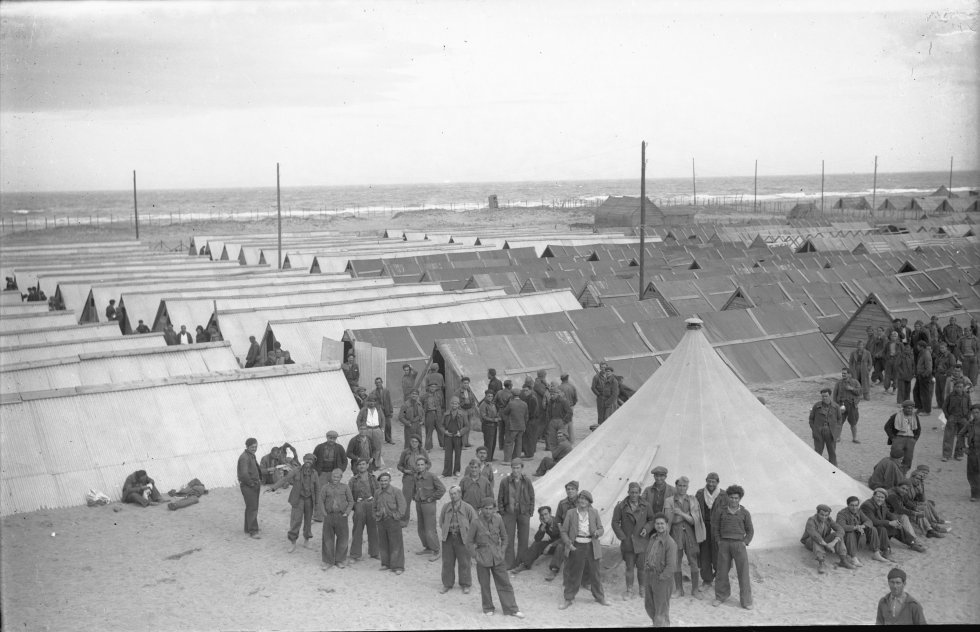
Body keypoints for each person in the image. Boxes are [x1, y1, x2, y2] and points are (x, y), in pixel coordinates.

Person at [466, 497, 525, 618]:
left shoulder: (498, 519)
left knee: (505, 583)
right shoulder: (475, 522)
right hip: (482, 556)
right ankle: (488, 607)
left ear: (494, 509)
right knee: (484, 584)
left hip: (497, 556)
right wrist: (475, 556)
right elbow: (469, 542)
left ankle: (511, 608)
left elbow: (505, 537)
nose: (488, 512)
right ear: (481, 509)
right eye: (486, 509)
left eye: (491, 509)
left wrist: (502, 551)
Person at [558, 490, 609, 609]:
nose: (582, 501)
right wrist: (568, 544)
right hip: (576, 546)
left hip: (591, 545)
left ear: (589, 501)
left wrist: (597, 532)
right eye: (581, 498)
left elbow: (601, 528)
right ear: (578, 500)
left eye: (585, 499)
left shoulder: (594, 512)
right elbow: (564, 531)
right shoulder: (571, 513)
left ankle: (600, 597)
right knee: (574, 573)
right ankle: (568, 598)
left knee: (595, 573)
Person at [267, 453, 320, 552]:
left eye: (311, 460)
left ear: (313, 462)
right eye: (307, 459)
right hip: (298, 499)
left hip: (309, 500)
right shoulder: (296, 471)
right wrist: (273, 487)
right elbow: (285, 479)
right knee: (296, 521)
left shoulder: (314, 473)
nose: (308, 462)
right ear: (303, 460)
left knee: (308, 521)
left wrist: (317, 503)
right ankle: (293, 542)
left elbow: (317, 488)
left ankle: (306, 540)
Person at [711, 484, 753, 610]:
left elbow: (750, 531)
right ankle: (720, 596)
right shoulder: (721, 511)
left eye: (736, 498)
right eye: (731, 497)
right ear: (728, 497)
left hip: (739, 545)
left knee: (743, 573)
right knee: (722, 572)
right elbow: (715, 528)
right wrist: (719, 541)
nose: (734, 500)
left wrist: (745, 542)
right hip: (724, 544)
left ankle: (746, 601)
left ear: (740, 498)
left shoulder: (745, 512)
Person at [611, 482, 653, 600]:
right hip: (628, 542)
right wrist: (622, 536)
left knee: (642, 568)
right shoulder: (621, 506)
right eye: (631, 492)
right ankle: (629, 590)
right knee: (629, 567)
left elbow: (652, 519)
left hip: (642, 542)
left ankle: (642, 589)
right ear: (628, 492)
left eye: (636, 492)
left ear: (639, 493)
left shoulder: (646, 505)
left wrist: (646, 528)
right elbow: (614, 522)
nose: (634, 494)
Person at [860, 488, 925, 555]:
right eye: (878, 496)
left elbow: (889, 514)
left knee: (897, 526)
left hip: (879, 528)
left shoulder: (882, 504)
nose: (880, 499)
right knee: (882, 529)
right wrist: (889, 523)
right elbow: (873, 521)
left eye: (882, 497)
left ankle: (912, 543)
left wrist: (896, 521)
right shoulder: (867, 505)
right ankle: (885, 549)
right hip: (869, 532)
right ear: (873, 496)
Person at [670, 476, 706, 597]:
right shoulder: (669, 500)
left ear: (687, 487)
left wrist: (680, 514)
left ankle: (695, 590)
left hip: (691, 535)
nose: (681, 488)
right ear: (676, 486)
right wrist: (686, 516)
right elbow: (669, 520)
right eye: (679, 485)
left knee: (693, 561)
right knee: (676, 561)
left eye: (684, 486)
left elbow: (694, 521)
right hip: (675, 534)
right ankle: (679, 589)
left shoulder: (693, 500)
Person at [439, 485, 477, 594]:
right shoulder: (446, 507)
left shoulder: (468, 508)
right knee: (447, 562)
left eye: (455, 493)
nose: (453, 496)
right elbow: (441, 521)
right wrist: (448, 531)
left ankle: (465, 584)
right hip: (448, 537)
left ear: (460, 494)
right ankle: (447, 584)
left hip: (463, 538)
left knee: (464, 562)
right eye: (451, 494)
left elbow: (474, 523)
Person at [498, 459, 534, 570]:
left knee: (523, 537)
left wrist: (530, 511)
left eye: (518, 468)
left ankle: (521, 562)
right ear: (511, 468)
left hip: (523, 512)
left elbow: (532, 496)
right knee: (508, 537)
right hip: (509, 512)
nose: (515, 470)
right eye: (513, 467)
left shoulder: (527, 481)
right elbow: (500, 497)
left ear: (522, 468)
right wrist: (502, 512)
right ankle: (509, 562)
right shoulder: (505, 481)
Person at [644, 512, 678, 627]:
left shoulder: (670, 543)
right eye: (657, 524)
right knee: (649, 605)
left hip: (662, 578)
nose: (660, 526)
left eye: (662, 524)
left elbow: (671, 566)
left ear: (667, 525)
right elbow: (648, 555)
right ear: (654, 525)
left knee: (661, 608)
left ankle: (662, 625)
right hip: (650, 576)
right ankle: (657, 624)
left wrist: (661, 577)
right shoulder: (653, 538)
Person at [801, 504, 854, 574]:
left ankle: (843, 560)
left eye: (826, 515)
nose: (824, 517)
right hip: (810, 542)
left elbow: (840, 529)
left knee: (837, 535)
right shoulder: (811, 520)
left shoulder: (829, 519)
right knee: (816, 539)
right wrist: (827, 545)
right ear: (817, 513)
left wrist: (833, 542)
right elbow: (814, 535)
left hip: (825, 541)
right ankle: (821, 563)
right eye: (822, 515)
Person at [510, 505, 562, 576]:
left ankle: (554, 570)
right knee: (537, 544)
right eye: (542, 515)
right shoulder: (544, 524)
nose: (544, 517)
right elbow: (537, 539)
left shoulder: (558, 522)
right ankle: (525, 564)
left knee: (560, 546)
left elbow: (564, 538)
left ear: (550, 513)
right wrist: (542, 527)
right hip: (553, 545)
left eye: (546, 514)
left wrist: (550, 545)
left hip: (563, 545)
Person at [836, 495, 888, 565]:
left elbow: (869, 521)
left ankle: (876, 553)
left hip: (859, 533)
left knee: (873, 529)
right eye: (852, 505)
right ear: (848, 505)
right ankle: (853, 557)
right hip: (847, 537)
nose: (854, 508)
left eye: (856, 505)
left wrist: (862, 526)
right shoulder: (842, 514)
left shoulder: (859, 511)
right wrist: (855, 527)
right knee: (850, 533)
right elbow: (841, 526)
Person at [373, 471, 407, 575]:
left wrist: (395, 516)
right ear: (379, 482)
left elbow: (402, 507)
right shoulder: (377, 493)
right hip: (381, 521)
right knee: (383, 543)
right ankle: (386, 563)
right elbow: (374, 507)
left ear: (389, 481)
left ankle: (398, 566)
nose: (383, 483)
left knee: (396, 544)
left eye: (386, 480)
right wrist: (376, 516)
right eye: (382, 481)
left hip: (393, 521)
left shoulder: (396, 491)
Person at [319, 468, 354, 570]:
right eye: (334, 476)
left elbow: (351, 501)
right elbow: (320, 501)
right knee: (327, 539)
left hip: (341, 516)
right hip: (329, 516)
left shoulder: (345, 487)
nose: (335, 478)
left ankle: (339, 560)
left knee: (343, 539)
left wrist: (346, 513)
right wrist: (324, 513)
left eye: (338, 477)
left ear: (341, 478)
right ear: (331, 476)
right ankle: (328, 561)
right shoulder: (325, 487)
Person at [413, 456, 445, 560]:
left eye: (422, 464)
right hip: (419, 503)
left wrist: (432, 498)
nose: (420, 467)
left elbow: (442, 489)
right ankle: (427, 547)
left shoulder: (432, 476)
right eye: (418, 465)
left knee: (430, 528)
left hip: (428, 505)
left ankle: (436, 550)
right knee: (421, 528)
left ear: (426, 465)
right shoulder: (416, 476)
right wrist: (415, 496)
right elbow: (415, 488)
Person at [547, 480, 580, 581]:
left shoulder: (582, 502)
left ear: (577, 490)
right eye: (568, 489)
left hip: (579, 533)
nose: (570, 491)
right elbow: (557, 519)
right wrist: (561, 531)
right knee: (561, 546)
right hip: (566, 533)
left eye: (572, 489)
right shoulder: (562, 503)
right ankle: (554, 569)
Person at [695, 473, 723, 588]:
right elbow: (695, 510)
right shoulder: (700, 493)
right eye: (709, 481)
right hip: (704, 527)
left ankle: (719, 577)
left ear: (717, 482)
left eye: (714, 482)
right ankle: (707, 580)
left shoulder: (723, 494)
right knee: (704, 555)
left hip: (717, 528)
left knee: (718, 554)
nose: (711, 484)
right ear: (706, 481)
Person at [348, 459, 379, 563]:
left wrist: (375, 500)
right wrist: (355, 502)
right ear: (357, 467)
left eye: (363, 464)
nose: (361, 466)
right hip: (359, 506)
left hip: (371, 505)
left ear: (367, 465)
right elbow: (348, 496)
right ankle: (355, 555)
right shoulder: (353, 480)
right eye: (359, 464)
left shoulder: (373, 478)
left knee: (373, 529)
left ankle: (374, 552)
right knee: (357, 530)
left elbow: (379, 492)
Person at [313, 430, 348, 522]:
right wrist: (316, 471)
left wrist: (341, 470)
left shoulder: (339, 448)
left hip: (334, 474)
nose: (332, 440)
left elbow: (345, 460)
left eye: (334, 438)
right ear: (326, 437)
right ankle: (318, 516)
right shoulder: (319, 447)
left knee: (336, 492)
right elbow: (313, 459)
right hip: (322, 473)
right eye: (330, 438)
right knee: (320, 494)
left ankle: (335, 513)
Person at [908, 467, 950, 533]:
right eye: (923, 472)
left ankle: (936, 520)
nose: (924, 475)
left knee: (928, 503)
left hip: (914, 503)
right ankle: (933, 526)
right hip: (909, 506)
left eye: (926, 473)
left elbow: (922, 498)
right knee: (924, 506)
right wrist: (919, 504)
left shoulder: (919, 482)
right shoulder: (909, 484)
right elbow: (907, 500)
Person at [885, 400, 921, 474]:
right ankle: (893, 473)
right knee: (895, 456)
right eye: (908, 408)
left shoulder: (915, 417)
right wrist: (893, 438)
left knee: (908, 458)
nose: (910, 410)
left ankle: (903, 474)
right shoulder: (896, 416)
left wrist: (915, 439)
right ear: (903, 408)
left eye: (911, 408)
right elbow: (887, 427)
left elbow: (918, 429)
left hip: (911, 440)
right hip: (899, 438)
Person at [396, 434, 427, 521]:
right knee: (406, 499)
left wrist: (422, 469)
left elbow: (429, 464)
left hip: (420, 478)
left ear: (419, 443)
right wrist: (405, 471)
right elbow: (399, 466)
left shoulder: (423, 452)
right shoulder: (405, 452)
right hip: (408, 478)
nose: (414, 443)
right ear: (410, 442)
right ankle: (405, 519)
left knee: (422, 498)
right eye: (412, 441)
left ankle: (423, 519)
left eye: (416, 442)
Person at [809, 388, 842, 466]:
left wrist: (837, 433)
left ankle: (833, 468)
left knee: (832, 452)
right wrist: (814, 429)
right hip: (819, 431)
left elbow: (839, 420)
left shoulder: (836, 407)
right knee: (818, 451)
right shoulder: (816, 406)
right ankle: (816, 467)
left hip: (831, 432)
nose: (824, 398)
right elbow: (811, 419)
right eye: (822, 396)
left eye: (826, 396)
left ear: (830, 396)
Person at [237, 438, 262, 539]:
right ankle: (253, 531)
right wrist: (251, 484)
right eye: (252, 447)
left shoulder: (250, 455)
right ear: (247, 446)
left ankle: (248, 528)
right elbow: (243, 474)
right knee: (253, 508)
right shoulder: (244, 457)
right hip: (249, 486)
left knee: (250, 507)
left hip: (253, 484)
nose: (254, 449)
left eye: (256, 447)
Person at [943, 380, 971, 461]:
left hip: (963, 418)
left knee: (961, 437)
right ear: (954, 387)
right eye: (957, 387)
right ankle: (946, 455)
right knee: (948, 436)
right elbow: (944, 407)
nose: (959, 388)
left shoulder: (967, 396)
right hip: (952, 417)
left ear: (963, 388)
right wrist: (948, 416)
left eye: (961, 387)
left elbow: (970, 407)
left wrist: (967, 417)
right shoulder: (950, 396)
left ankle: (959, 454)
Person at [355, 395, 386, 467]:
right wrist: (361, 429)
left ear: (375, 402)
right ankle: (366, 463)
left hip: (377, 429)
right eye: (370, 401)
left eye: (373, 401)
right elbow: (358, 420)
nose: (372, 403)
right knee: (366, 446)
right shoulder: (364, 410)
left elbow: (383, 419)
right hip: (367, 429)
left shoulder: (378, 409)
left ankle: (377, 463)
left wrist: (382, 429)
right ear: (367, 402)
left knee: (377, 447)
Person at [834, 368, 863, 443]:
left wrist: (851, 389)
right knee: (839, 422)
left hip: (852, 405)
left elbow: (860, 392)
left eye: (845, 373)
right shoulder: (839, 383)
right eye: (842, 373)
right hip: (841, 405)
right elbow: (834, 394)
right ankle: (837, 437)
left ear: (849, 374)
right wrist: (835, 405)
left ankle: (855, 438)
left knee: (853, 423)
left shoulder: (855, 382)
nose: (843, 375)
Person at [440, 396, 467, 477]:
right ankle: (446, 472)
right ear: (450, 404)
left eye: (456, 403)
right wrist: (445, 432)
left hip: (458, 437)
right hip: (448, 436)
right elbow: (441, 425)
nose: (454, 405)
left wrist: (460, 432)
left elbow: (467, 426)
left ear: (458, 405)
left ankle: (457, 471)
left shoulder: (463, 414)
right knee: (448, 455)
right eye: (452, 403)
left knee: (458, 455)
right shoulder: (446, 414)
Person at [500, 388, 527, 463]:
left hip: (512, 427)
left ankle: (507, 460)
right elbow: (526, 416)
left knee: (509, 443)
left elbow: (505, 412)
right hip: (521, 426)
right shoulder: (524, 404)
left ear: (512, 394)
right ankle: (516, 459)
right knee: (519, 443)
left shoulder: (511, 404)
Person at [543, 388, 573, 452]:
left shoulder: (564, 401)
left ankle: (564, 454)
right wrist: (549, 422)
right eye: (550, 394)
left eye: (553, 394)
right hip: (552, 422)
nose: (551, 396)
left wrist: (564, 421)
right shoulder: (550, 402)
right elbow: (548, 413)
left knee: (562, 439)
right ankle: (555, 455)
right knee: (553, 440)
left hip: (561, 422)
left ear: (557, 394)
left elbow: (569, 412)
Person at [455, 376, 478, 448]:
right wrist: (459, 411)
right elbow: (455, 402)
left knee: (468, 427)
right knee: (464, 427)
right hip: (462, 410)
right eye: (465, 383)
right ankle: (461, 444)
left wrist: (473, 409)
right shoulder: (458, 392)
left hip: (469, 410)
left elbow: (473, 401)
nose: (466, 385)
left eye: (467, 383)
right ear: (461, 383)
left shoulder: (469, 391)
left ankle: (466, 442)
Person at [963, 403, 980, 501]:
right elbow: (960, 435)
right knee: (972, 473)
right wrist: (964, 448)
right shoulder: (969, 424)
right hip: (973, 452)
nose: (976, 415)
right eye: (974, 413)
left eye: (978, 412)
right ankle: (975, 494)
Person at [478, 389, 501, 461]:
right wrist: (494, 420)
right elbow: (484, 416)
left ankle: (490, 457)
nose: (490, 397)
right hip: (487, 426)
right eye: (489, 396)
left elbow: (494, 412)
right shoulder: (483, 405)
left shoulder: (492, 404)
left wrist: (497, 416)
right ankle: (487, 459)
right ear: (485, 396)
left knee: (493, 443)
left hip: (493, 426)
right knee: (488, 443)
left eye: (491, 396)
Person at [912, 341, 933, 415]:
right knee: (916, 391)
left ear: (921, 346)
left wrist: (924, 375)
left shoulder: (926, 354)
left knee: (925, 394)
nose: (917, 347)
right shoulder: (921, 353)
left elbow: (929, 368)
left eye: (918, 346)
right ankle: (920, 408)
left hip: (924, 376)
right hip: (920, 376)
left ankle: (927, 411)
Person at [373, 377, 395, 445]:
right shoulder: (374, 392)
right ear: (375, 384)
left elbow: (389, 401)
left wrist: (391, 411)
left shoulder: (386, 391)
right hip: (379, 411)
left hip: (387, 410)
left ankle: (389, 439)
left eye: (379, 382)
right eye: (376, 383)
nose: (378, 384)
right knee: (379, 425)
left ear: (382, 382)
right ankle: (379, 440)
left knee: (388, 425)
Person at [933, 341, 955, 409]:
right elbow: (936, 365)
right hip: (938, 375)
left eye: (942, 348)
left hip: (944, 375)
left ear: (946, 348)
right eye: (940, 348)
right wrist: (935, 372)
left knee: (944, 391)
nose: (941, 349)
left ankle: (944, 406)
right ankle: (939, 405)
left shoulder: (950, 356)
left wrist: (947, 373)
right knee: (938, 391)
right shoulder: (939, 355)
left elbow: (952, 366)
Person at [423, 382, 443, 451]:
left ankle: (443, 445)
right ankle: (428, 447)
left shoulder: (439, 395)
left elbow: (441, 404)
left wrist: (439, 413)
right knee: (429, 431)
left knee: (440, 430)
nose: (432, 388)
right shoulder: (425, 396)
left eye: (434, 387)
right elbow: (421, 404)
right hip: (429, 414)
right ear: (428, 388)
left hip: (437, 414)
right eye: (431, 387)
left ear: (436, 388)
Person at [558, 373, 578, 441]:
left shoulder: (559, 387)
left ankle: (564, 439)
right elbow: (575, 399)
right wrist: (572, 405)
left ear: (561, 379)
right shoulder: (572, 386)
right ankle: (572, 439)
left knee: (563, 423)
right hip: (571, 406)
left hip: (562, 407)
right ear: (567, 378)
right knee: (570, 422)